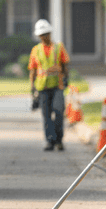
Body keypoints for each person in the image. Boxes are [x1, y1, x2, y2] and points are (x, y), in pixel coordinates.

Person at [29, 18, 70, 151]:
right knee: (46, 115)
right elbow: (33, 70)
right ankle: (50, 141)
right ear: (39, 36)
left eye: (46, 34)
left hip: (57, 85)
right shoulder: (36, 50)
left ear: (50, 33)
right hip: (42, 87)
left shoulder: (59, 47)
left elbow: (65, 65)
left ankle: (59, 140)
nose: (44, 37)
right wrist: (32, 87)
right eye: (42, 35)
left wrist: (66, 78)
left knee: (58, 111)